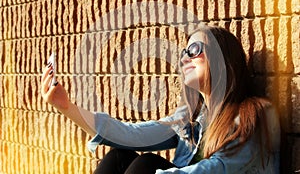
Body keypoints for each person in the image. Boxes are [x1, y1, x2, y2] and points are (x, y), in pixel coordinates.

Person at [41, 25, 280, 173]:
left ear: (221, 58)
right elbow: (132, 135)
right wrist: (67, 107)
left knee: (148, 166)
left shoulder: (254, 114)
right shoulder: (190, 121)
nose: (186, 58)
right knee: (119, 158)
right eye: (184, 52)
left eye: (195, 50)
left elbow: (217, 169)